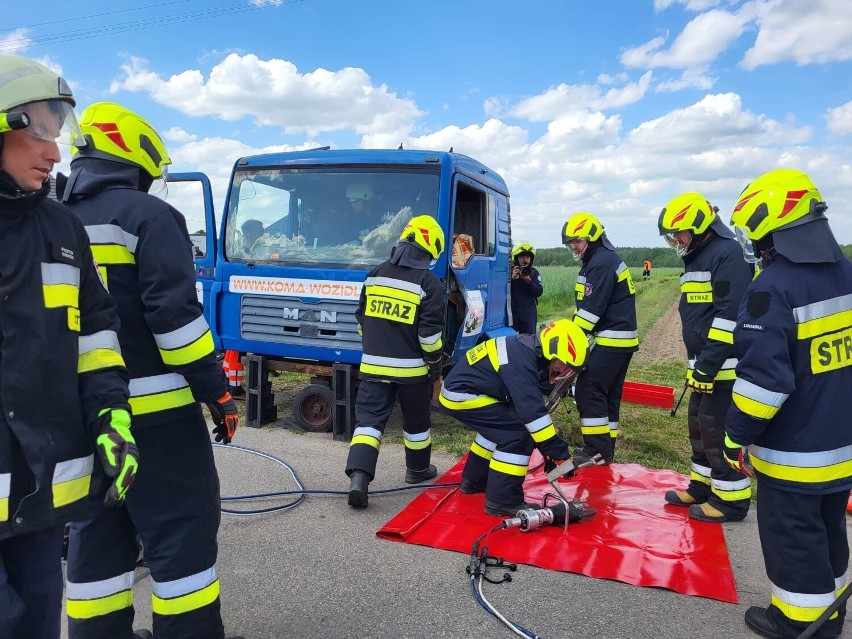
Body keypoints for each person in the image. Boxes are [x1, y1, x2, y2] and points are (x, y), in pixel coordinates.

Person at [62, 102, 241, 639]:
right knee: (180, 542)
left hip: (81, 418)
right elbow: (176, 322)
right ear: (135, 158)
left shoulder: (48, 217)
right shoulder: (150, 216)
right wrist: (217, 391)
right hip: (157, 421)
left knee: (96, 541)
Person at [0, 54, 136, 639]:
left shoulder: (63, 230)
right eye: (40, 131)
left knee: (34, 621)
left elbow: (97, 334)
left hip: (37, 501)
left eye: (59, 132)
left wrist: (111, 412)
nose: (56, 153)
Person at [724, 169, 852, 639]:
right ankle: (830, 612)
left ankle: (801, 624)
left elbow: (763, 383)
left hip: (795, 454)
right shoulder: (847, 274)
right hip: (841, 447)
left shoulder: (770, 288)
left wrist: (736, 435)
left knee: (793, 539)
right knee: (828, 531)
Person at [658, 193, 752, 523]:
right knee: (698, 428)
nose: (675, 240)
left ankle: (731, 500)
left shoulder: (728, 254)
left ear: (698, 227)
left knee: (716, 430)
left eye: (679, 233)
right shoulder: (697, 256)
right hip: (703, 366)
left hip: (723, 366)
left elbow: (729, 317)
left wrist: (708, 366)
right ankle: (702, 486)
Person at [439, 320, 594, 516]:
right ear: (552, 350)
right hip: (461, 395)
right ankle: (503, 500)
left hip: (464, 389)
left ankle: (474, 481)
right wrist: (558, 453)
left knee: (500, 427)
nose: (565, 373)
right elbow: (532, 414)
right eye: (566, 366)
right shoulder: (520, 361)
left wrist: (549, 451)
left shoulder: (525, 349)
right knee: (519, 433)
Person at [346, 215, 446, 508]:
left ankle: (359, 480)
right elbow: (430, 336)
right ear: (431, 248)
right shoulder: (428, 283)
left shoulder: (375, 274)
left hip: (373, 367)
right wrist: (435, 367)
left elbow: (361, 319)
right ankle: (417, 471)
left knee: (368, 424)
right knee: (416, 424)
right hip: (412, 371)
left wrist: (374, 348)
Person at [561, 212, 638, 465]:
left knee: (588, 389)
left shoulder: (601, 263)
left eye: (578, 240)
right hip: (620, 340)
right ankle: (607, 449)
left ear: (592, 238)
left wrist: (569, 343)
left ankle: (596, 449)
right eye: (571, 242)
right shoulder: (603, 259)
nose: (574, 246)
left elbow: (590, 311)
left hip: (611, 339)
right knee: (608, 394)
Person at [510, 241, 543, 334]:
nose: (525, 259)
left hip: (528, 314)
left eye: (527, 257)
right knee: (510, 341)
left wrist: (529, 281)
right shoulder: (509, 271)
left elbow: (539, 292)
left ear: (531, 259)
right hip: (511, 313)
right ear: (516, 258)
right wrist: (511, 278)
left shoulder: (534, 273)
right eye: (522, 256)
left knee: (529, 341)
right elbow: (500, 290)